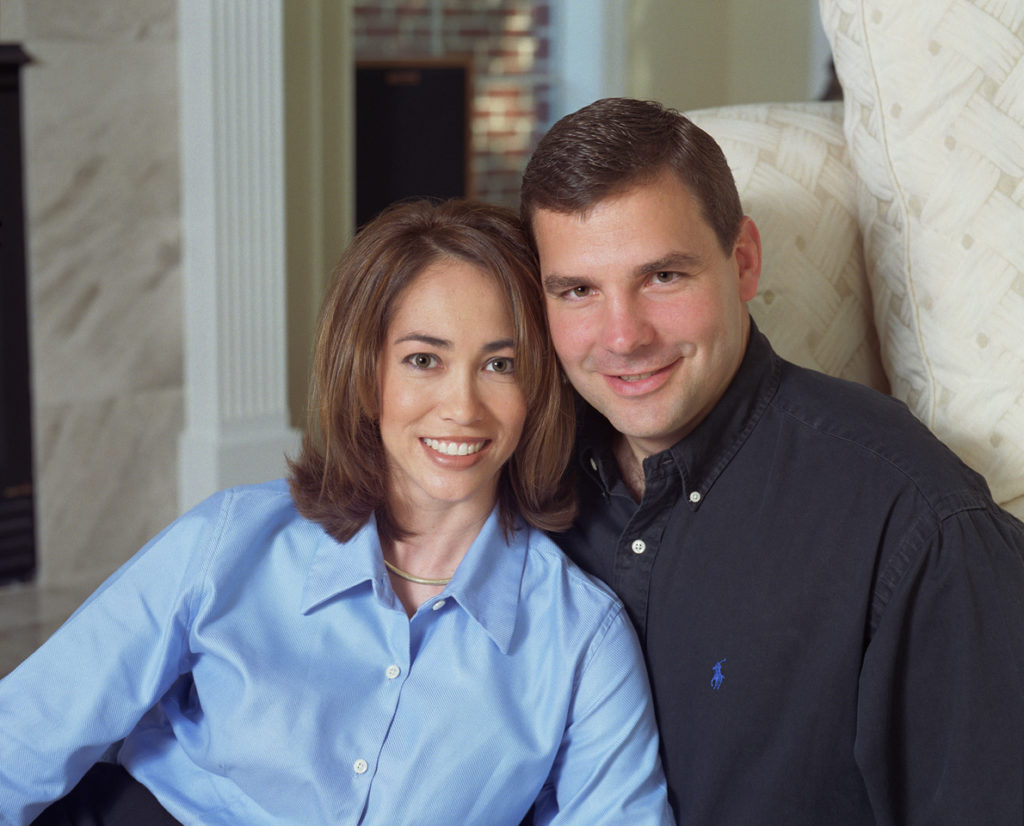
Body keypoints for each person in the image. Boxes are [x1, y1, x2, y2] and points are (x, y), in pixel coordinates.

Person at [0, 199, 674, 825]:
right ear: (365, 372)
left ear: (538, 388)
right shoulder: (229, 542)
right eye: (422, 360)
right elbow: (24, 738)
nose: (462, 407)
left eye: (500, 365)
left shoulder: (581, 638)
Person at [520, 97, 1024, 824]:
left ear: (744, 261)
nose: (622, 337)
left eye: (663, 277)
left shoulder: (916, 519)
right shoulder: (521, 478)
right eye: (578, 292)